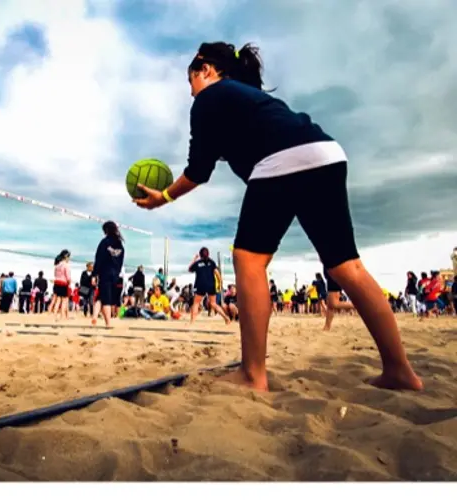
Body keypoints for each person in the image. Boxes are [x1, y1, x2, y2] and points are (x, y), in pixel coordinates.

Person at [134, 41, 422, 391]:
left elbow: (198, 171)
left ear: (206, 70)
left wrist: (161, 198)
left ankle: (253, 374)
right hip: (326, 153)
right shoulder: (248, 99)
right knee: (347, 267)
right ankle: (400, 370)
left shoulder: (211, 97)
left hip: (283, 161)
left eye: (191, 82)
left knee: (249, 260)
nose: (191, 93)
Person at [92, 221, 125, 327]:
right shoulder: (119, 244)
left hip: (105, 272)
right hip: (115, 274)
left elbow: (98, 259)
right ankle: (97, 317)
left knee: (105, 298)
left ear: (106, 230)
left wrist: (94, 274)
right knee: (104, 297)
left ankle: (108, 323)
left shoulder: (104, 242)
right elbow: (121, 260)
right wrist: (118, 271)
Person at [188, 248, 230, 325]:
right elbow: (217, 273)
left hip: (201, 284)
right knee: (213, 303)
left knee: (196, 303)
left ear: (200, 254)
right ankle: (226, 318)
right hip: (211, 284)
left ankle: (192, 322)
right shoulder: (211, 262)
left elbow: (189, 269)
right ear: (208, 254)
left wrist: (194, 259)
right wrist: (220, 283)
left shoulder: (197, 263)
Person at [52, 250, 71, 320]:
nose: (69, 259)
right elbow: (68, 277)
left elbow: (55, 274)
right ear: (66, 256)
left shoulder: (57, 265)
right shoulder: (66, 265)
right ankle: (62, 316)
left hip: (57, 283)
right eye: (69, 257)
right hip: (63, 283)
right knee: (64, 300)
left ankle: (55, 315)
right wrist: (69, 283)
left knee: (58, 300)